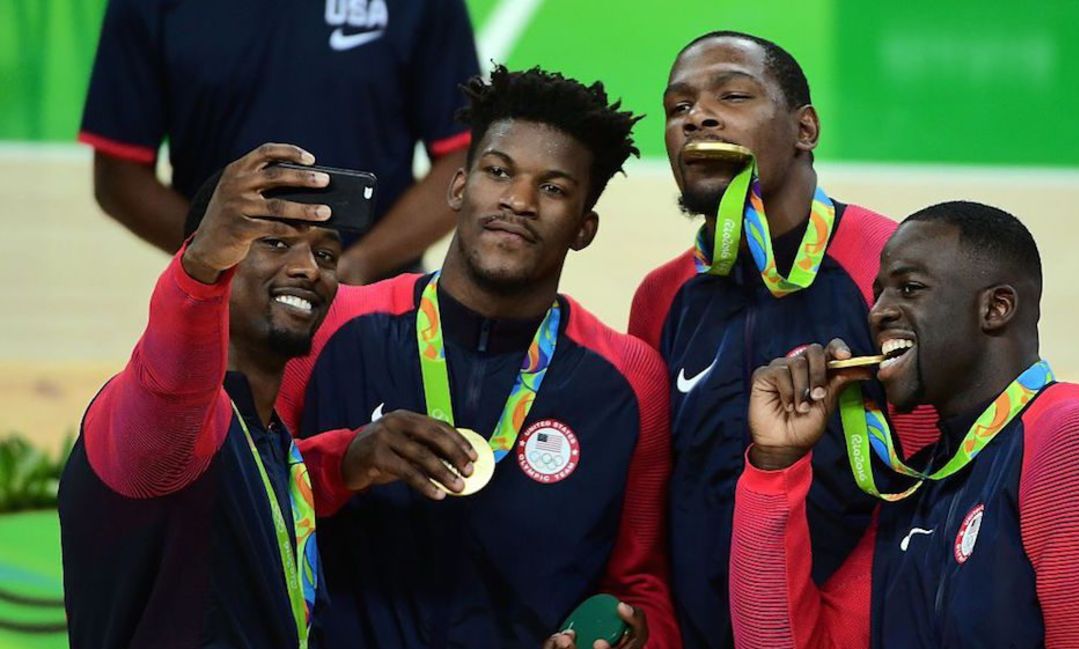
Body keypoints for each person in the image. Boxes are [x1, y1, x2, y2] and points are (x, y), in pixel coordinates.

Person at [277, 66, 680, 649]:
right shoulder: (332, 325)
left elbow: (642, 584)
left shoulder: (629, 381)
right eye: (498, 171)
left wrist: (638, 634)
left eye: (554, 188)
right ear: (459, 188)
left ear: (584, 228)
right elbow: (241, 502)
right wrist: (346, 463)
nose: (517, 200)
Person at [57, 144, 472, 648]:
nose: (309, 269)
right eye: (275, 243)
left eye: (325, 254)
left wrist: (345, 459)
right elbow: (175, 386)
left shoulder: (268, 441)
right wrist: (203, 263)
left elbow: (241, 506)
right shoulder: (162, 419)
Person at [625, 31, 937, 649]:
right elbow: (654, 496)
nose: (698, 117)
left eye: (732, 95)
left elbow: (939, 477)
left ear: (806, 129)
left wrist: (826, 626)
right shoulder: (661, 299)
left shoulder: (888, 267)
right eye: (677, 107)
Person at [731, 201, 1079, 648]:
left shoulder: (1077, 434)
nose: (878, 313)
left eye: (909, 288)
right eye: (878, 294)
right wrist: (777, 464)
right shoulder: (917, 486)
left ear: (997, 307)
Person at [79, 0, 479, 283]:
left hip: (372, 304)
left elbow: (462, 156)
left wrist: (358, 267)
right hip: (224, 311)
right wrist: (219, 255)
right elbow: (118, 174)